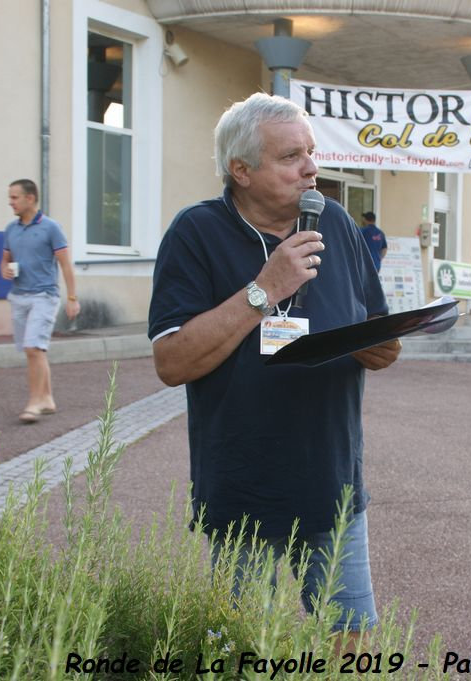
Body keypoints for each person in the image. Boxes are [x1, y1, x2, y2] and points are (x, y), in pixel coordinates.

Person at [147, 93, 400, 637]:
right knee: (244, 647)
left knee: (350, 637)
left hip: (332, 481)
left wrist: (381, 345)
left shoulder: (334, 220)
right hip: (244, 487)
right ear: (241, 169)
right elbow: (171, 361)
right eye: (291, 156)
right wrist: (264, 290)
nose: (312, 168)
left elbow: (371, 318)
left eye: (311, 152)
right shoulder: (196, 234)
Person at [0, 179, 80, 423]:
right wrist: (4, 269)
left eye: (15, 197)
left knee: (34, 347)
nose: (10, 202)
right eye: (10, 197)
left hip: (44, 296)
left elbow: (66, 264)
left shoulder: (51, 228)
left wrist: (72, 298)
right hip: (19, 295)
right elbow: (5, 260)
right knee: (34, 351)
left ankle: (34, 403)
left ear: (30, 198)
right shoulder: (11, 229)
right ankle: (46, 398)